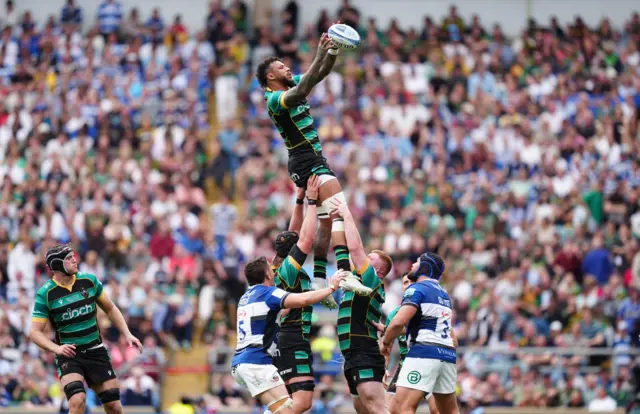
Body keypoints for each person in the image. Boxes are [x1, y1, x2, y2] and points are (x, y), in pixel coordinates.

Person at [255, 29, 353, 299]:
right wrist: (320, 52)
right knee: (340, 210)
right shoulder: (275, 99)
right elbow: (304, 88)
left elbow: (318, 75)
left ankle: (321, 278)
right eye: (281, 67)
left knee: (326, 222)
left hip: (311, 159)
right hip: (305, 160)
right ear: (270, 77)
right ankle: (345, 273)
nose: (287, 67)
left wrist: (332, 52)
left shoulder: (288, 84)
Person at [271, 176, 369, 413]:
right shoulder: (286, 271)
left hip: (294, 338)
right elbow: (305, 238)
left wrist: (299, 198)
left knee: (294, 403)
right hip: (291, 338)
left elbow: (294, 231)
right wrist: (312, 203)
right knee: (301, 403)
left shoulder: (281, 264)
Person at [30, 244, 143, 414]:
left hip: (95, 350)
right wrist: (57, 348)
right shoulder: (45, 294)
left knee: (114, 407)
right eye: (69, 258)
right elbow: (34, 332)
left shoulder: (89, 281)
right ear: (58, 265)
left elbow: (110, 308)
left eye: (73, 256)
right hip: (70, 354)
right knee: (77, 400)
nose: (75, 259)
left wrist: (127, 333)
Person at [230, 257, 351, 414]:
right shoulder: (268, 293)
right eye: (270, 269)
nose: (274, 271)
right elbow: (303, 300)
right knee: (287, 411)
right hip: (256, 363)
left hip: (240, 363)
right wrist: (331, 288)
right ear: (267, 274)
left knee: (283, 409)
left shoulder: (246, 297)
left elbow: (282, 310)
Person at [329, 198, 393, 414]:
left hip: (364, 352)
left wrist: (347, 214)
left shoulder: (372, 280)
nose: (364, 259)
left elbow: (355, 247)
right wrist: (336, 220)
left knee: (377, 409)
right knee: (363, 411)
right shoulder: (354, 280)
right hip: (351, 355)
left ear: (380, 271)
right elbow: (341, 248)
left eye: (370, 259)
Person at [380, 253, 459, 414]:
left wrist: (385, 343)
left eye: (416, 263)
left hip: (423, 353)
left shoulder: (417, 288)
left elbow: (398, 321)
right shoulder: (443, 294)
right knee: (449, 411)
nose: (412, 265)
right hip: (447, 355)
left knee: (403, 408)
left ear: (425, 267)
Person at [380, 272, 441, 414]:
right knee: (390, 409)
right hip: (405, 365)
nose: (408, 286)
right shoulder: (394, 315)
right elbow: (386, 347)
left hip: (428, 360)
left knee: (437, 409)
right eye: (405, 283)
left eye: (411, 282)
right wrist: (384, 369)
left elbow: (451, 338)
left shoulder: (428, 308)